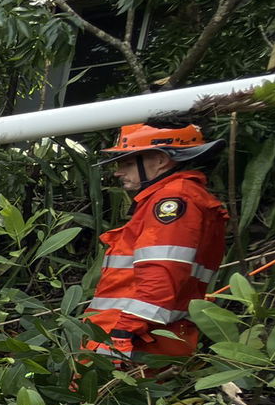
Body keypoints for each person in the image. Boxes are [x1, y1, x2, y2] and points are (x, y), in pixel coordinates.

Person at [84, 122, 227, 362]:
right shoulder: (173, 196)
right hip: (144, 332)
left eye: (127, 162)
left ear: (161, 160)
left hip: (134, 337)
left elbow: (163, 272)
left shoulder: (174, 199)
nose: (118, 172)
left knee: (101, 396)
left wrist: (124, 331)